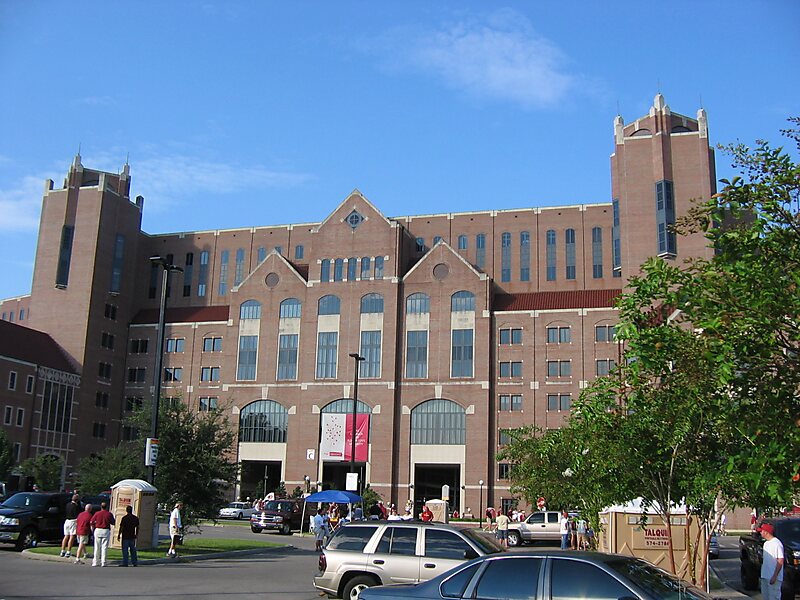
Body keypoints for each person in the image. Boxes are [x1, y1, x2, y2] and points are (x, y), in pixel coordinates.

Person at [758, 523, 784, 600]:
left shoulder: (776, 543)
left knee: (774, 597)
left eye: (761, 531)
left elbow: (780, 560)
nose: (760, 532)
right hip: (765, 576)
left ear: (766, 532)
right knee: (766, 597)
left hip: (773, 578)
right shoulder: (766, 544)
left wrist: (775, 576)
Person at [90, 501, 115, 567]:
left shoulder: (97, 513)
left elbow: (92, 522)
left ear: (101, 507)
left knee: (97, 546)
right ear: (106, 507)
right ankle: (103, 562)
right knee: (104, 547)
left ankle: (95, 562)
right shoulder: (109, 514)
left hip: (98, 529)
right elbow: (113, 522)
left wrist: (93, 529)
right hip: (105, 530)